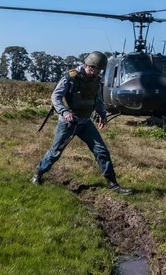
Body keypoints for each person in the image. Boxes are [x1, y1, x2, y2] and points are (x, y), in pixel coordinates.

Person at [31, 51, 133, 195]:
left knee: (101, 150)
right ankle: (38, 173)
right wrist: (64, 112)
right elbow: (56, 96)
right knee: (56, 152)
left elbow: (96, 98)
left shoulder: (95, 79)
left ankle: (112, 183)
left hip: (85, 122)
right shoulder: (71, 77)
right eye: (96, 69)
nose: (98, 73)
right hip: (69, 123)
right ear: (90, 66)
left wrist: (102, 114)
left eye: (99, 71)